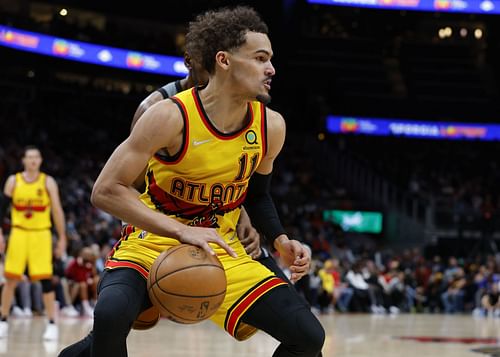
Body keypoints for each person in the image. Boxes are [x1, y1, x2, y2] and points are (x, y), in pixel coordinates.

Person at [58, 6, 324, 357]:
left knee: (309, 337)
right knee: (110, 317)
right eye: (261, 58)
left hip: (222, 248)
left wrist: (280, 238)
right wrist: (181, 230)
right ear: (224, 61)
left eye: (271, 59)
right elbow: (106, 190)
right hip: (151, 243)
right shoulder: (169, 115)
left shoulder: (271, 126)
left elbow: (258, 196)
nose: (271, 69)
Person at [0, 145, 67, 340]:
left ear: (40, 160)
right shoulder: (13, 181)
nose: (33, 160)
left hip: (41, 234)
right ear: (23, 160)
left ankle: (52, 323)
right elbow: (2, 210)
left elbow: (57, 211)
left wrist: (62, 237)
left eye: (36, 157)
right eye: (29, 157)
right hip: (19, 233)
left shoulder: (48, 182)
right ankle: (3, 319)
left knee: (45, 279)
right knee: (10, 279)